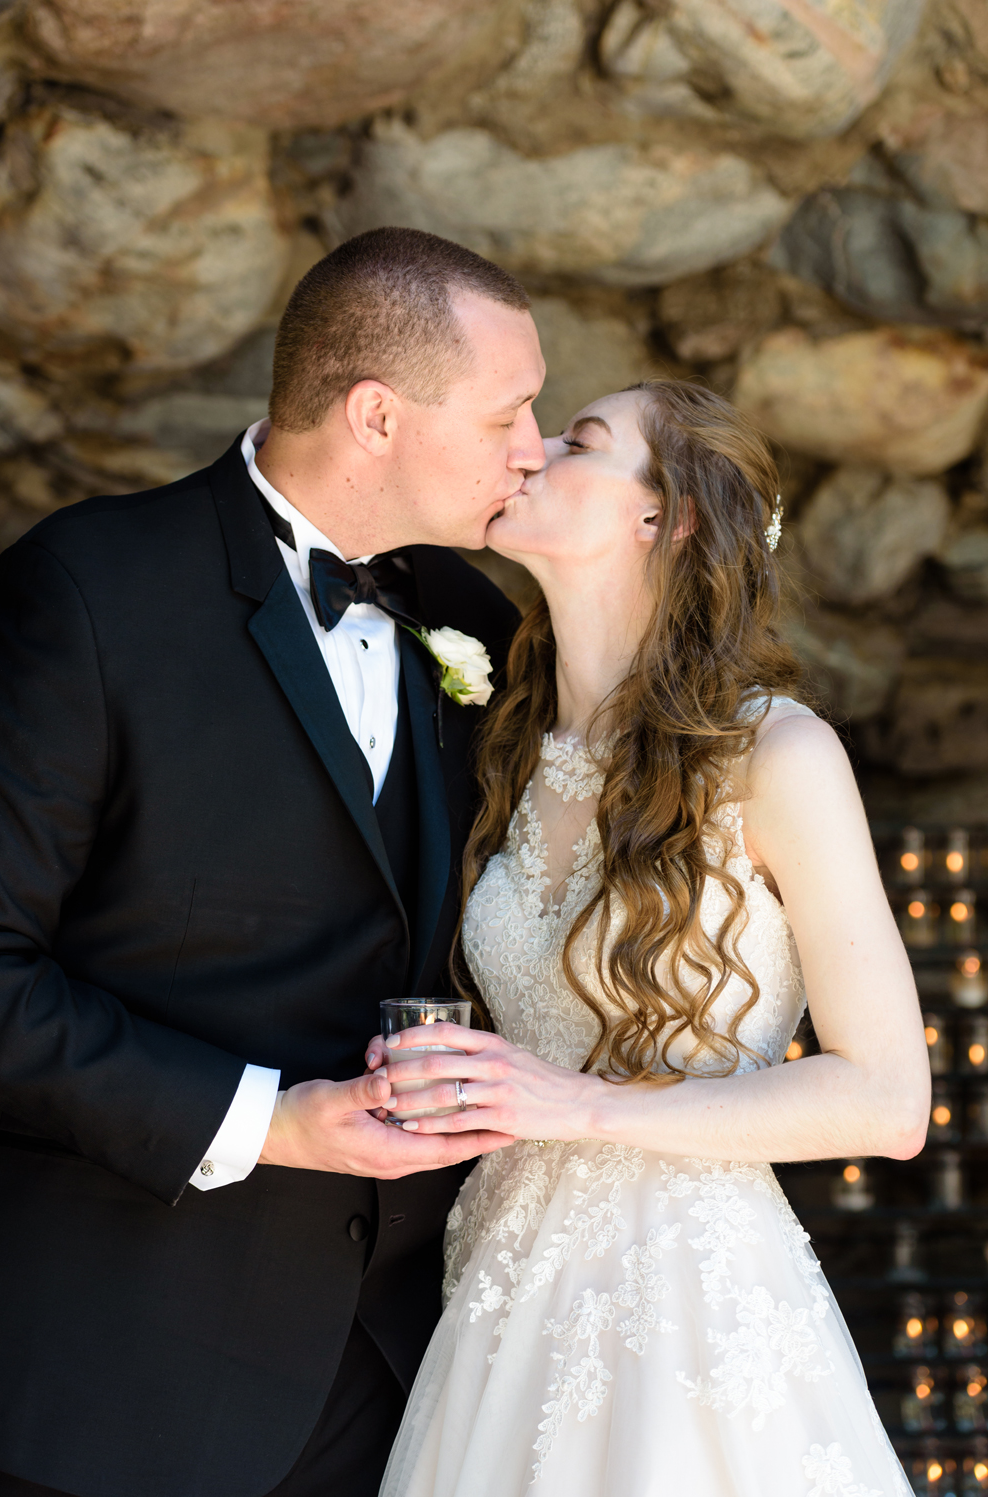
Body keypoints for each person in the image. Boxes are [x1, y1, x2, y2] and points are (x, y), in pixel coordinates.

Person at [0, 226, 541, 1497]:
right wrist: (271, 1123)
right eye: (510, 409)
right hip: (137, 1374)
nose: (531, 447)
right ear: (375, 416)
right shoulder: (89, 586)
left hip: (415, 1376)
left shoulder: (473, 621)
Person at [375, 380, 922, 1496]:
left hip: (686, 1309)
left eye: (576, 443)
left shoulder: (775, 758)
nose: (528, 455)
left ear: (659, 518)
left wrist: (567, 1104)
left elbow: (887, 1100)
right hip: (497, 1300)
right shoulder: (503, 751)